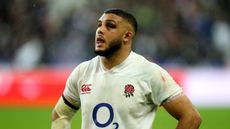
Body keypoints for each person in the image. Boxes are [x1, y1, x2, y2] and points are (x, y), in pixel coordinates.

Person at [51, 8, 202, 129]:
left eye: (110, 25)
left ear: (127, 36)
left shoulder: (148, 72)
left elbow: (191, 117)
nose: (100, 30)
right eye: (99, 25)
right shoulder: (82, 72)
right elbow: (60, 114)